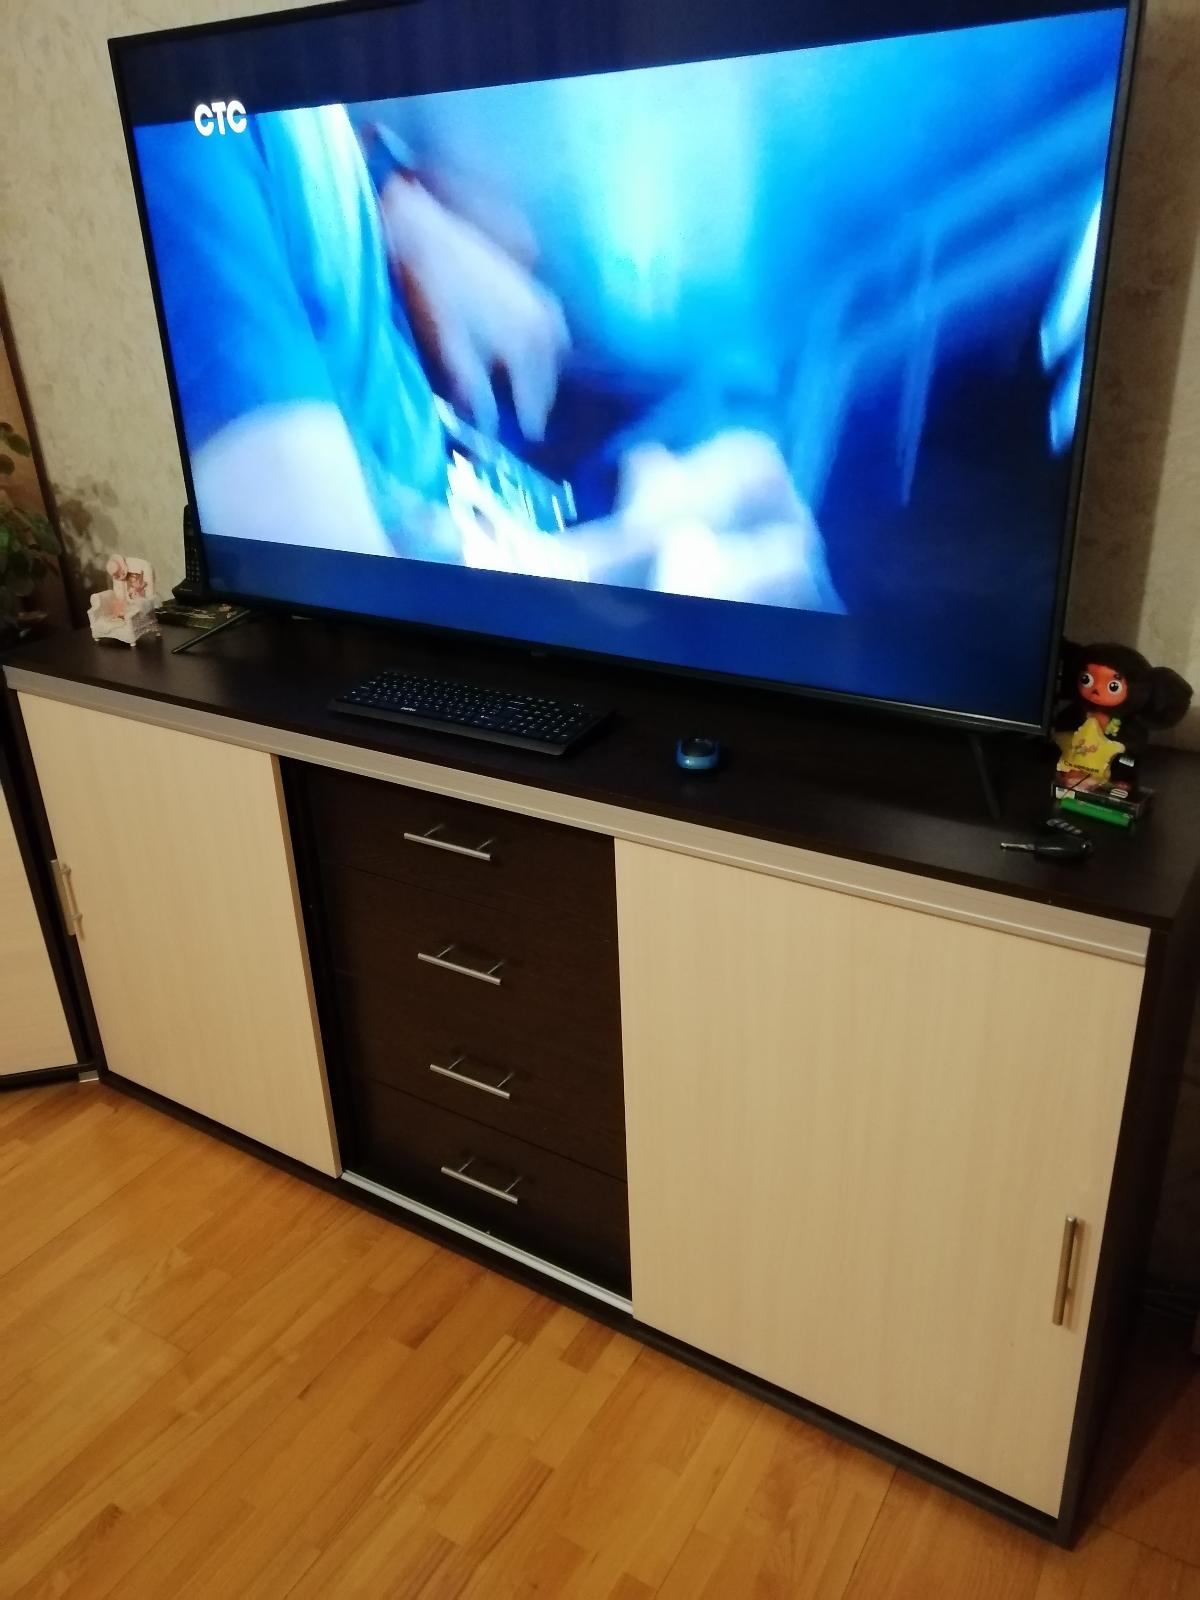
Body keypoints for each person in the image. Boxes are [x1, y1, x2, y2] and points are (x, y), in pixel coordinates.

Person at [139, 101, 842, 611]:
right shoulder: (188, 141)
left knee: (759, 413)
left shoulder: (269, 115)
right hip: (497, 578)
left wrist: (393, 192)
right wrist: (640, 574)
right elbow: (337, 607)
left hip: (517, 493)